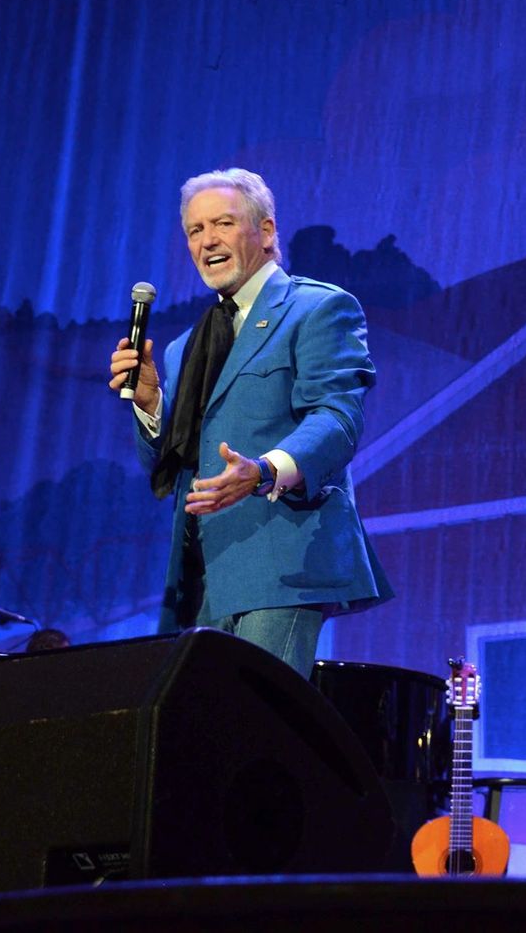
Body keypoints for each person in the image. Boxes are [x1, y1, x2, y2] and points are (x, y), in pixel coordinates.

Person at [107, 168, 392, 677]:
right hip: (199, 575)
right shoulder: (183, 348)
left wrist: (264, 470)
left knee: (260, 715)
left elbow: (337, 418)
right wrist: (150, 403)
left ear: (265, 231)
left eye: (223, 223)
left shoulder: (317, 308)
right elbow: (166, 465)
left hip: (281, 564)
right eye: (195, 230)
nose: (207, 240)